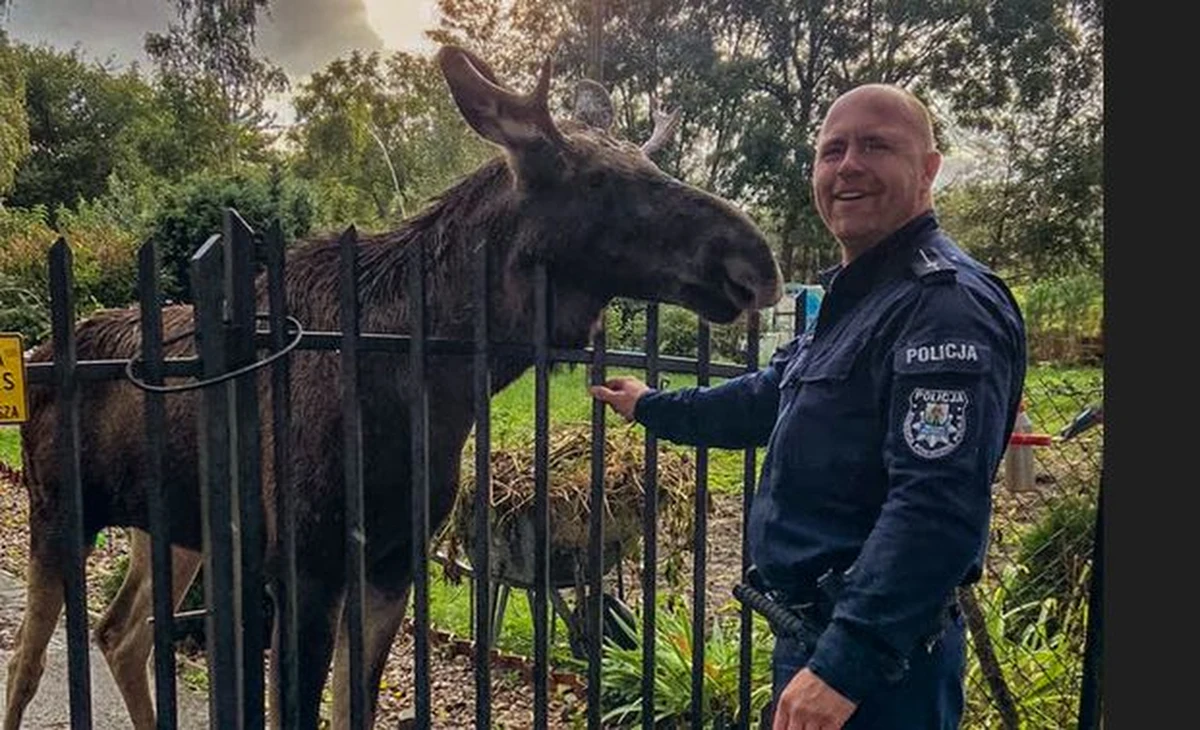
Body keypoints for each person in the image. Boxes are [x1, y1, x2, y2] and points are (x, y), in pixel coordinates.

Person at [590, 83, 1027, 730]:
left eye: (875, 145)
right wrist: (652, 405)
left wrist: (843, 667)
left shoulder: (944, 306)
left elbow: (937, 506)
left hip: (880, 668)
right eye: (832, 150)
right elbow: (763, 402)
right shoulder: (856, 304)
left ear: (929, 168)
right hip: (815, 640)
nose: (847, 165)